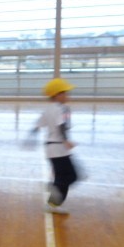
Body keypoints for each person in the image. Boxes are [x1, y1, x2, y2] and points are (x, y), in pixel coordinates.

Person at [32, 78, 79, 215]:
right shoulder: (61, 109)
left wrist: (32, 133)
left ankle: (53, 203)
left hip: (50, 149)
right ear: (56, 95)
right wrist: (66, 140)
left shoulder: (48, 109)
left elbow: (38, 125)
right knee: (71, 176)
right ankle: (52, 189)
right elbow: (61, 125)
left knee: (62, 177)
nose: (67, 95)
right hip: (59, 149)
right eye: (64, 93)